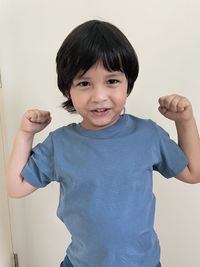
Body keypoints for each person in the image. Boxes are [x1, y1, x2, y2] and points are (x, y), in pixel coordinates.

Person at [6, 20, 200, 267]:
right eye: (84, 83)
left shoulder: (147, 135)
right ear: (68, 89)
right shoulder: (60, 144)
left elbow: (194, 172)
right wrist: (25, 134)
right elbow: (16, 187)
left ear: (128, 82)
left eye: (112, 81)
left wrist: (185, 121)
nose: (99, 96)